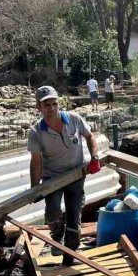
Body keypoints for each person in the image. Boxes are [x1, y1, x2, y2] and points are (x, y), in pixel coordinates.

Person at [27, 86, 101, 265]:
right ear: (39, 107)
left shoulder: (74, 119)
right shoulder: (36, 132)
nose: (51, 108)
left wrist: (95, 157)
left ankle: (69, 257)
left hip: (76, 175)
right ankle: (57, 232)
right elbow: (36, 162)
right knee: (52, 212)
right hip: (52, 177)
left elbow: (90, 137)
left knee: (74, 218)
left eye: (54, 104)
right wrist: (35, 188)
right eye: (46, 105)